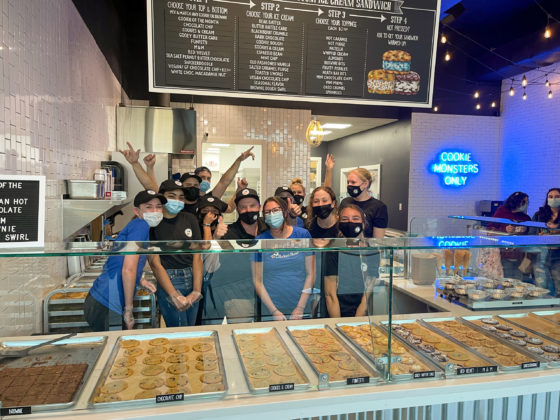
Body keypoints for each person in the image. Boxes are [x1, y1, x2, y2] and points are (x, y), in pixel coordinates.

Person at [84, 190, 165, 331]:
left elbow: (123, 261)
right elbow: (128, 269)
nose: (155, 211)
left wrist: (140, 280)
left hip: (100, 299)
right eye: (148, 207)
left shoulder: (138, 226)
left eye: (158, 207)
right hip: (107, 302)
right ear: (137, 211)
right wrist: (128, 310)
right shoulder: (140, 225)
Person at [149, 179, 204, 327]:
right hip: (169, 280)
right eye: (172, 196)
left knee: (191, 328)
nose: (177, 201)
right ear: (162, 197)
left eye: (181, 197)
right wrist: (173, 294)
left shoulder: (190, 219)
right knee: (179, 331)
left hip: (193, 276)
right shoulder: (153, 222)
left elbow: (197, 256)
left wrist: (197, 290)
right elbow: (155, 264)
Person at [119, 142, 255, 200]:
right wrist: (135, 164)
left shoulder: (209, 200)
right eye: (201, 178)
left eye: (208, 178)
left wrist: (238, 161)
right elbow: (152, 188)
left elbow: (224, 182)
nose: (205, 181)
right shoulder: (178, 199)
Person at [251, 197, 315, 320]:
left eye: (276, 210)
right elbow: (257, 280)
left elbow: (311, 274)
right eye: (267, 212)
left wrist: (300, 307)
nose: (272, 215)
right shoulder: (260, 241)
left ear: (285, 212)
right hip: (271, 307)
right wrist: (274, 311)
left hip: (301, 304)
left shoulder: (302, 235)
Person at [323, 205, 381, 317]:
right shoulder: (333, 250)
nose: (350, 223)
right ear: (339, 224)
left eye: (355, 219)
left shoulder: (372, 251)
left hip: (361, 313)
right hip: (336, 311)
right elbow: (330, 295)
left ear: (363, 223)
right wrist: (338, 323)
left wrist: (357, 320)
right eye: (345, 219)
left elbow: (368, 292)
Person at [490, 191, 531, 280]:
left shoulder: (525, 218)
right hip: (504, 253)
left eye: (527, 202)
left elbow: (531, 235)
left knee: (518, 280)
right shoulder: (502, 212)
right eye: (523, 202)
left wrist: (525, 230)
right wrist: (505, 229)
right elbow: (490, 230)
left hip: (520, 255)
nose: (526, 204)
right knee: (506, 279)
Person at [341, 168, 388, 238]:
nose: (349, 185)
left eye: (353, 182)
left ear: (365, 184)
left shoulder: (379, 207)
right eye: (348, 182)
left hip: (365, 244)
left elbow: (378, 240)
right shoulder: (345, 202)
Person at [531, 188, 560, 295]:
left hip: (558, 256)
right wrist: (540, 236)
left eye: (557, 197)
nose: (553, 199)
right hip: (541, 255)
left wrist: (555, 234)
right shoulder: (539, 215)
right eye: (550, 197)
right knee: (541, 288)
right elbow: (531, 233)